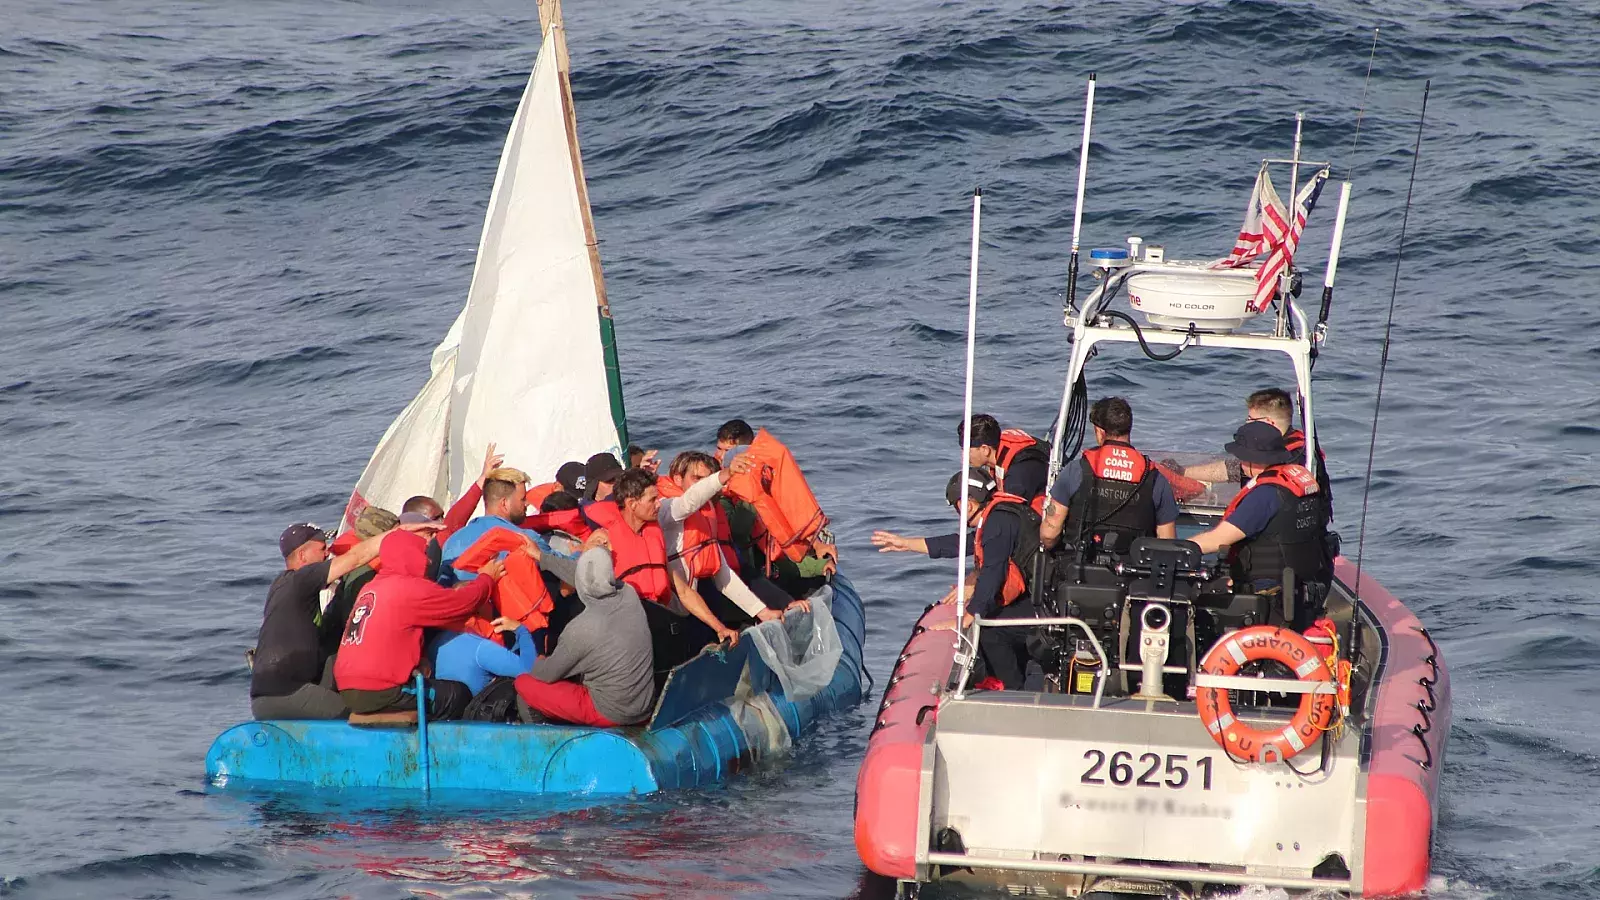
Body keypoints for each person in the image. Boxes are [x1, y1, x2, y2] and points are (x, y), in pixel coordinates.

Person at [871, 468, 1041, 690]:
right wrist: (905, 544)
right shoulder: (1000, 516)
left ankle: (1012, 691)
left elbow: (992, 575)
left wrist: (967, 618)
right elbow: (959, 544)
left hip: (1040, 609)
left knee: (987, 628)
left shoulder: (997, 524)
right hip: (1039, 598)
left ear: (966, 504)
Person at [250, 520, 417, 720]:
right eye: (321, 548)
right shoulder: (301, 579)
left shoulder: (282, 585)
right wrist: (398, 533)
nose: (327, 553)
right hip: (285, 693)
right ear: (302, 556)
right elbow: (355, 558)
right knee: (359, 711)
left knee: (340, 658)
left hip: (274, 692)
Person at [335, 530, 504, 720]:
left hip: (347, 688)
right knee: (457, 694)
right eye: (423, 553)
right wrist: (487, 578)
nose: (429, 561)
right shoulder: (409, 588)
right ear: (409, 555)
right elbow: (462, 603)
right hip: (380, 689)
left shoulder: (371, 587)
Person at [1189, 421, 1333, 622]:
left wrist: (1179, 548)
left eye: (1240, 456)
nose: (1239, 461)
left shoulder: (1265, 495)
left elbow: (1217, 540)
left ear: (1252, 459)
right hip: (1300, 592)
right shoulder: (1298, 482)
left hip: (1266, 600)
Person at [584, 467, 744, 646]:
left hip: (662, 619)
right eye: (653, 500)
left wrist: (719, 627)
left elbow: (683, 591)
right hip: (628, 630)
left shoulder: (653, 535)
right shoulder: (603, 540)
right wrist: (585, 550)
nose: (659, 504)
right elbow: (585, 593)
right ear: (632, 504)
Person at [512, 541, 656, 726]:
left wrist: (539, 661)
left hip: (610, 712)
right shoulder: (629, 595)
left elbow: (546, 674)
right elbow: (586, 576)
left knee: (524, 684)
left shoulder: (581, 629)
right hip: (643, 705)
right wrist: (542, 557)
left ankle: (544, 737)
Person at [659, 451, 810, 627]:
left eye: (707, 479)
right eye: (697, 478)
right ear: (677, 479)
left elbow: (723, 573)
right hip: (673, 610)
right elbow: (689, 502)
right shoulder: (666, 508)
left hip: (698, 604)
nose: (704, 486)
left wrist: (763, 611)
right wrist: (725, 474)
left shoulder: (707, 515)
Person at [1040, 397, 1178, 556]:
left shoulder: (1076, 471)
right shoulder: (1154, 478)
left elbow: (1048, 536)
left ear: (1100, 432)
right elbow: (1167, 545)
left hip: (1078, 573)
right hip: (1134, 576)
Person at [1181, 389, 1331, 505]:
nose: (1247, 424)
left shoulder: (1288, 456)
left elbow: (1234, 470)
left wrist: (1181, 472)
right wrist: (1183, 472)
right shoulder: (1301, 447)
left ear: (1269, 422)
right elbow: (1236, 469)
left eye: (1250, 419)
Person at [440, 466, 567, 584]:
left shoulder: (453, 541)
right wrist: (577, 553)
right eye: (522, 499)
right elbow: (563, 566)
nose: (527, 503)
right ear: (504, 504)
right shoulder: (526, 539)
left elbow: (442, 587)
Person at [959, 413, 1050, 511]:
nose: (963, 456)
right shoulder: (999, 451)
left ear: (985, 449)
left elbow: (1012, 516)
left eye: (967, 450)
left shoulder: (1018, 476)